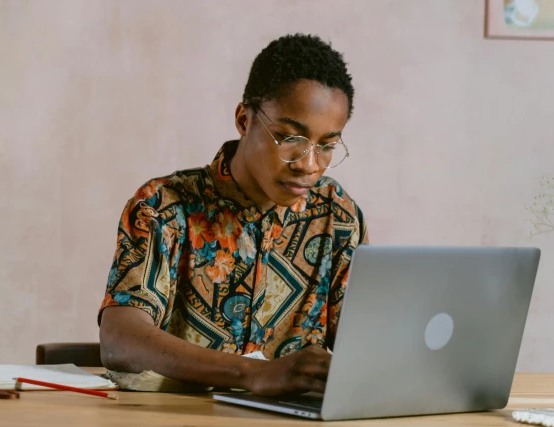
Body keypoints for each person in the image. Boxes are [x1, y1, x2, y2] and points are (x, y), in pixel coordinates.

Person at [98, 34, 368, 396]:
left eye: (327, 146)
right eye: (290, 138)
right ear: (244, 119)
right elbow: (120, 339)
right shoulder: (164, 206)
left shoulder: (338, 216)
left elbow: (367, 343)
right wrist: (252, 374)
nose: (308, 165)